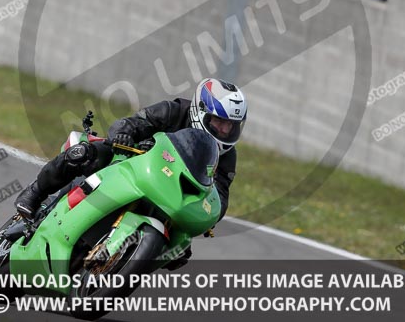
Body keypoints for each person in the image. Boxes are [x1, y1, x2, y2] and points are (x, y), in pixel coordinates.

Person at [13, 78, 247, 265]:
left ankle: (123, 260)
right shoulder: (173, 111)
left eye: (231, 126)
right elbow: (132, 122)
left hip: (170, 191)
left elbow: (220, 195)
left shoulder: (227, 156)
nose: (225, 130)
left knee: (180, 252)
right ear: (201, 111)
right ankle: (35, 193)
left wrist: (210, 214)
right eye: (219, 122)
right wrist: (124, 135)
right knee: (82, 153)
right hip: (130, 159)